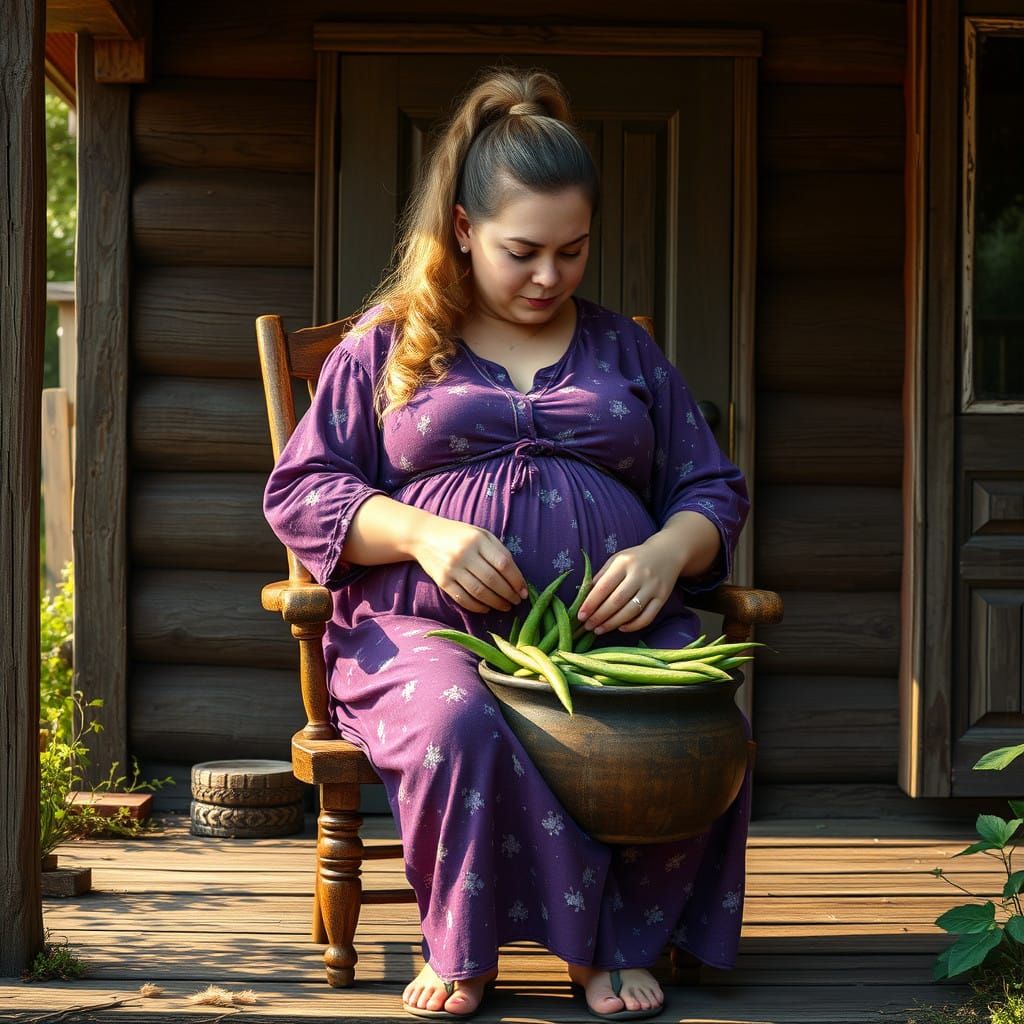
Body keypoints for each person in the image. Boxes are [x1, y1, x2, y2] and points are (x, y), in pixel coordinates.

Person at [263, 65, 752, 1022]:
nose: (549, 277)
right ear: (461, 228)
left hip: (605, 632)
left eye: (572, 252)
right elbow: (303, 490)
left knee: (696, 718)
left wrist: (666, 554)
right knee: (458, 721)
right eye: (523, 250)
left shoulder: (623, 351)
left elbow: (710, 487)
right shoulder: (390, 347)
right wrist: (424, 534)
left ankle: (620, 942)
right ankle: (467, 944)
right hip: (423, 633)